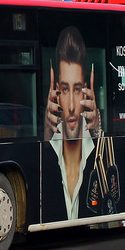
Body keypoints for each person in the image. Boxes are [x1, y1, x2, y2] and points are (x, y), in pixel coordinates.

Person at [42, 27, 115, 219]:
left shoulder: (98, 149)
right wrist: (45, 141)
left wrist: (99, 135)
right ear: (56, 91)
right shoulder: (46, 150)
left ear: (87, 91)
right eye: (65, 90)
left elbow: (115, 202)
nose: (73, 106)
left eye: (77, 90)